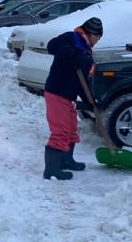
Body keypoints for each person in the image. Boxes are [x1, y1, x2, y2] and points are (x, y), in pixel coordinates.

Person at [42, 17, 103, 180]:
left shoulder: (87, 53)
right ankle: (51, 170)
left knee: (70, 130)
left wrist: (90, 101)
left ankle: (66, 160)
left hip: (68, 96)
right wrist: (73, 53)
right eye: (97, 37)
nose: (97, 41)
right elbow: (52, 45)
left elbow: (83, 80)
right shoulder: (71, 38)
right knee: (60, 131)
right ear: (91, 34)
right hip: (56, 92)